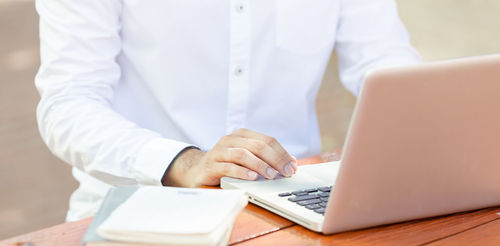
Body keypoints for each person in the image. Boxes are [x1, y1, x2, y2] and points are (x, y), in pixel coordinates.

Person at [35, 0, 420, 221]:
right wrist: (183, 163)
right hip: (140, 211)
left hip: (298, 204)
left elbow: (383, 59)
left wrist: (437, 124)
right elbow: (67, 104)